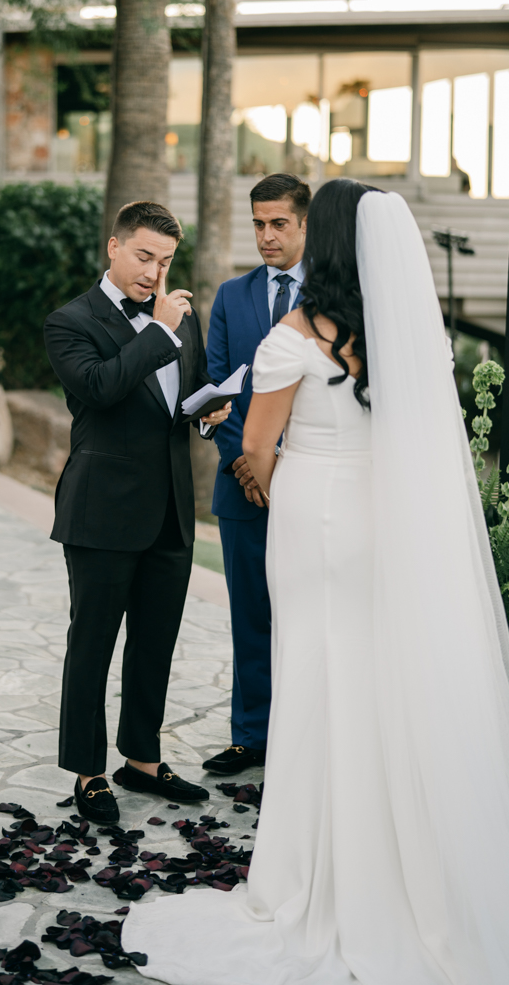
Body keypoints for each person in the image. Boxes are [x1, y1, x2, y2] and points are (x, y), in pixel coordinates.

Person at [123, 180, 509, 984]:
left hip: (310, 521)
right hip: (379, 525)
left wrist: (260, 472)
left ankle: (312, 872)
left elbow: (258, 446)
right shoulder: (407, 337)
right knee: (376, 677)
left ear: (324, 239)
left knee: (312, 677)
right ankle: (396, 858)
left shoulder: (293, 335)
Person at [44, 200, 232, 825]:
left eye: (167, 260)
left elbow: (182, 395)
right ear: (114, 248)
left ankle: (142, 759)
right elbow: (99, 388)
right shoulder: (70, 321)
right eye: (146, 257)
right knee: (92, 643)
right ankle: (87, 772)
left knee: (155, 643)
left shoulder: (182, 318)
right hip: (101, 511)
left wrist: (209, 413)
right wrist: (156, 329)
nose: (156, 272)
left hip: (171, 509)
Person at [203, 174, 310, 777]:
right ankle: (251, 737)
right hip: (240, 483)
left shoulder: (334, 294)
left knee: (308, 612)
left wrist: (280, 461)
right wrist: (246, 462)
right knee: (250, 614)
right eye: (258, 224)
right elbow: (220, 386)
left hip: (311, 481)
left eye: (278, 224)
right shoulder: (231, 295)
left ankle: (306, 733)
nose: (266, 236)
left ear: (302, 225)